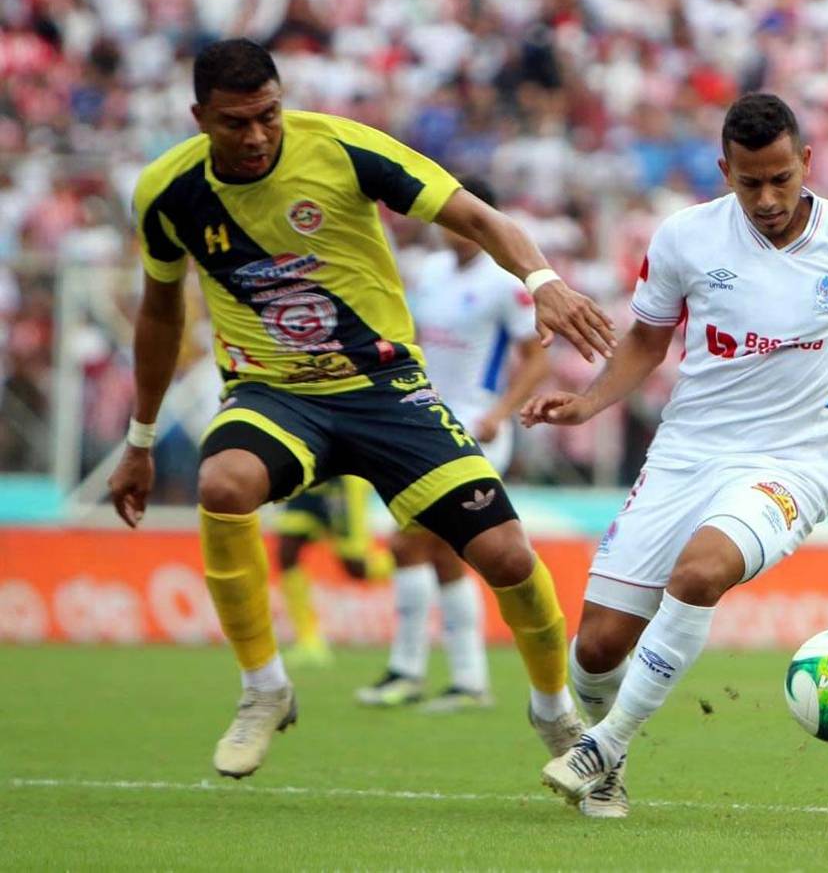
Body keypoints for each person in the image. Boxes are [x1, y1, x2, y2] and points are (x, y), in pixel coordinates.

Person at [107, 38, 615, 779]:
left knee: (506, 556)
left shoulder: (343, 149)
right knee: (224, 485)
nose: (255, 136)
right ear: (199, 118)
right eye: (234, 123)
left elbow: (475, 216)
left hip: (385, 391)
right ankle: (263, 690)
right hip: (275, 392)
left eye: (268, 116)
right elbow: (159, 315)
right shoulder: (166, 192)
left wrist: (542, 280)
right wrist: (140, 438)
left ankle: (555, 713)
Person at [523, 93, 828, 818]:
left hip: (791, 464)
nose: (767, 197)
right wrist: (587, 404)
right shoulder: (686, 238)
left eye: (781, 178)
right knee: (595, 648)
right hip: (686, 453)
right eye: (749, 182)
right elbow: (649, 340)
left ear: (806, 162)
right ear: (725, 170)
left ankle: (605, 745)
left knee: (701, 571)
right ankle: (594, 733)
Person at [356, 175, 550, 712]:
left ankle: (410, 671)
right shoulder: (431, 272)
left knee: (410, 545)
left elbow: (537, 358)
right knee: (439, 555)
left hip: (477, 428)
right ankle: (464, 680)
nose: (451, 227)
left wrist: (499, 413)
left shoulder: (504, 282)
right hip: (425, 424)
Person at [275, 475, 394, 668]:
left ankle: (412, 561)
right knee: (286, 553)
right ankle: (308, 641)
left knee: (356, 567)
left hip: (342, 480)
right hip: (308, 480)